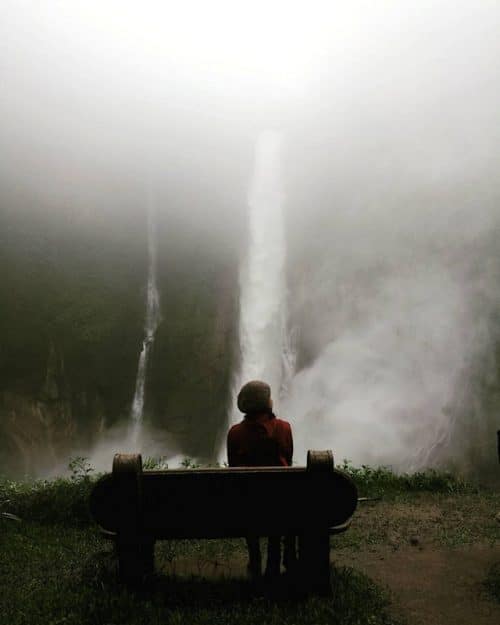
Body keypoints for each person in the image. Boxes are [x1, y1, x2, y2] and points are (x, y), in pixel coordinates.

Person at [227, 380, 296, 580]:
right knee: (279, 495)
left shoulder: (235, 433)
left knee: (250, 498)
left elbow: (233, 470)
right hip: (281, 506)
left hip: (247, 506)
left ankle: (255, 558)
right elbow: (288, 463)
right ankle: (275, 559)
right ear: (266, 403)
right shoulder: (284, 428)